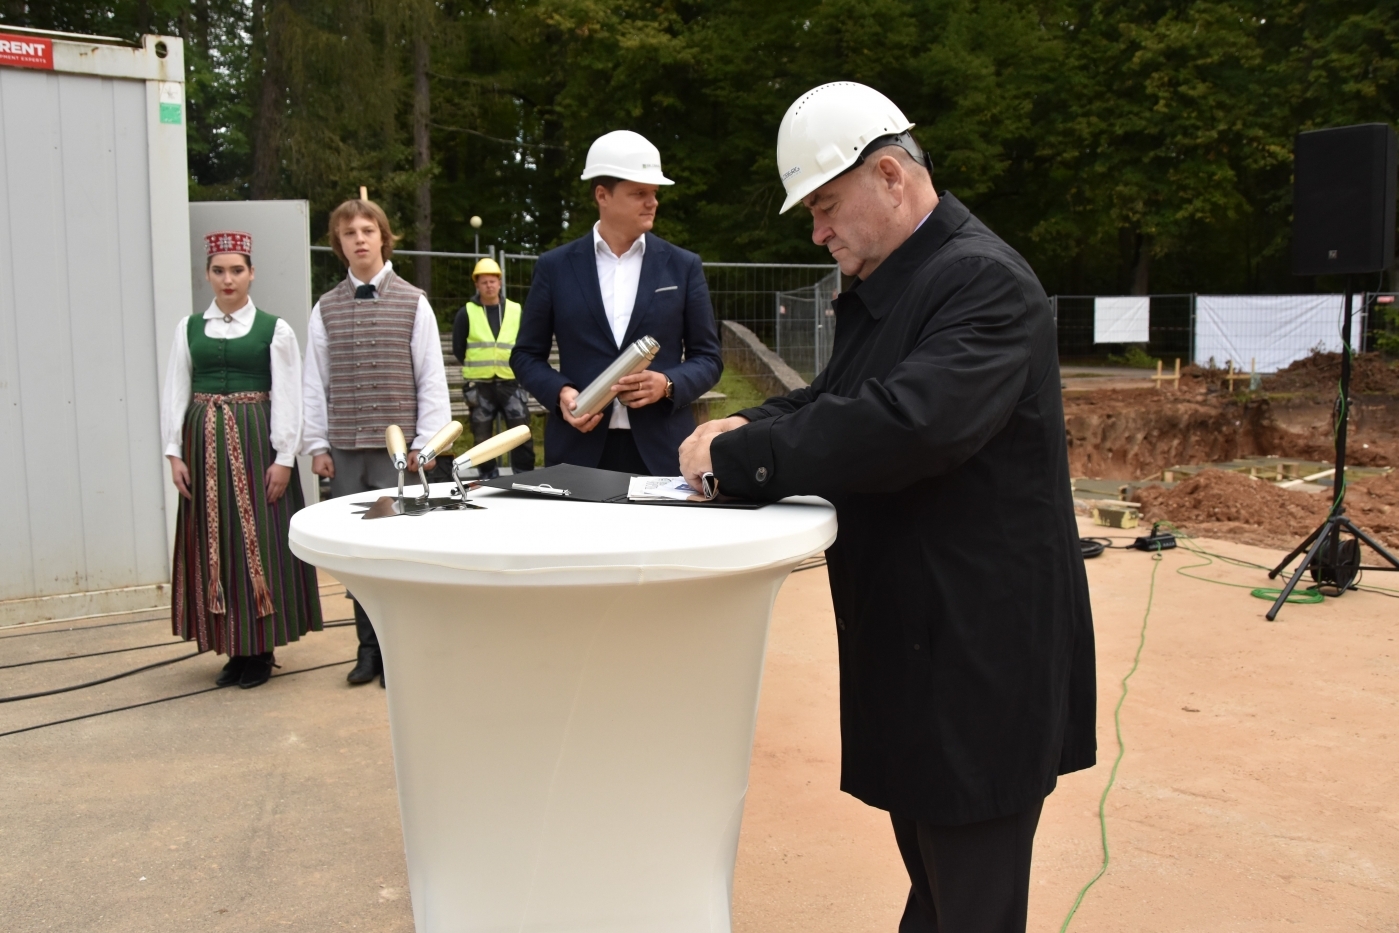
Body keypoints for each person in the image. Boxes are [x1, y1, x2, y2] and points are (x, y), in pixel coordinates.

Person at [679, 83, 1097, 933]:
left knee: (970, 899)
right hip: (927, 649)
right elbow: (833, 397)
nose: (817, 231)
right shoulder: (898, 283)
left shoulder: (982, 282)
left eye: (826, 207)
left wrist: (734, 456)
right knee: (939, 889)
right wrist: (742, 424)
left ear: (891, 177)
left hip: (981, 663)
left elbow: (907, 425)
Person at [162, 232, 323, 689]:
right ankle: (233, 648)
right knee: (216, 540)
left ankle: (261, 650)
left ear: (251, 273)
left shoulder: (275, 329)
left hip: (256, 444)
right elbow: (176, 390)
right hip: (202, 445)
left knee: (259, 539)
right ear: (207, 274)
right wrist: (174, 452)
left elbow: (288, 394)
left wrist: (284, 456)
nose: (227, 279)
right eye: (218, 270)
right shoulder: (189, 327)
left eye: (236, 270)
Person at [302, 198, 452, 688]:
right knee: (356, 552)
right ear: (338, 244)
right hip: (346, 449)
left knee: (399, 550)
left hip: (399, 454)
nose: (360, 239)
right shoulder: (324, 308)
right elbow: (313, 382)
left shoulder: (414, 301)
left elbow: (431, 377)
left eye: (368, 230)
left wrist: (426, 443)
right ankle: (368, 650)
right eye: (349, 233)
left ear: (383, 237)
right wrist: (317, 444)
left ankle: (400, 652)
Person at [511, 130, 723, 476]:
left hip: (664, 452)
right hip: (579, 450)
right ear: (602, 195)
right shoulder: (555, 267)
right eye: (639, 192)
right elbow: (524, 355)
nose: (652, 202)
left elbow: (709, 358)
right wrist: (561, 393)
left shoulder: (683, 266)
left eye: (654, 193)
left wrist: (667, 384)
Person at [451, 257, 534, 479]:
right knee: (482, 439)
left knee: (520, 433)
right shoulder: (466, 312)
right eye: (484, 282)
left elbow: (526, 343)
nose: (489, 285)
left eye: (493, 281)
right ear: (477, 285)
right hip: (479, 385)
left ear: (500, 283)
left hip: (511, 381)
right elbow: (458, 347)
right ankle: (488, 477)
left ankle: (524, 476)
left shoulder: (516, 310)